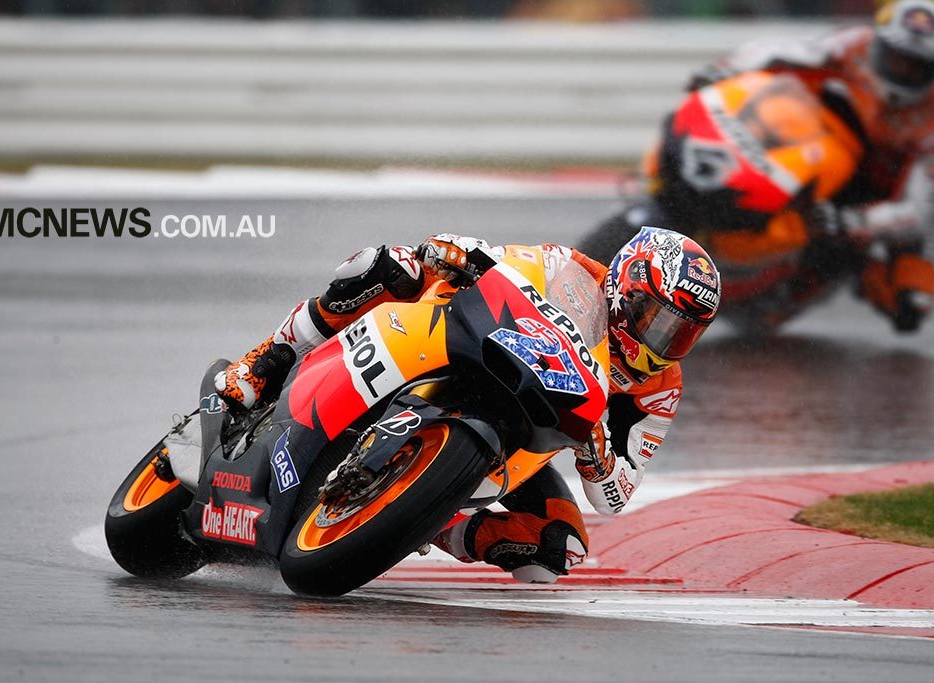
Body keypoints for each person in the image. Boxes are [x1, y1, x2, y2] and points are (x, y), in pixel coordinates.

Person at [214, 229, 720, 583]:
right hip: (459, 343)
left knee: (558, 548)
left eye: (683, 332)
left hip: (521, 437)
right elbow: (500, 262)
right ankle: (271, 357)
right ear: (625, 286)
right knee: (388, 266)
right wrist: (466, 253)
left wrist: (596, 448)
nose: (665, 339)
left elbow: (614, 495)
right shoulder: (571, 270)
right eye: (658, 318)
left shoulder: (658, 387)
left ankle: (424, 520)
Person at [687, 0, 934, 332]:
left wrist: (849, 223)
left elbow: (918, 214)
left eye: (915, 66)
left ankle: (853, 268)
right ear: (878, 43)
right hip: (834, 145)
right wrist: (724, 70)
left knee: (910, 305)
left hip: (890, 193)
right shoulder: (856, 44)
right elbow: (782, 51)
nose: (902, 71)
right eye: (895, 57)